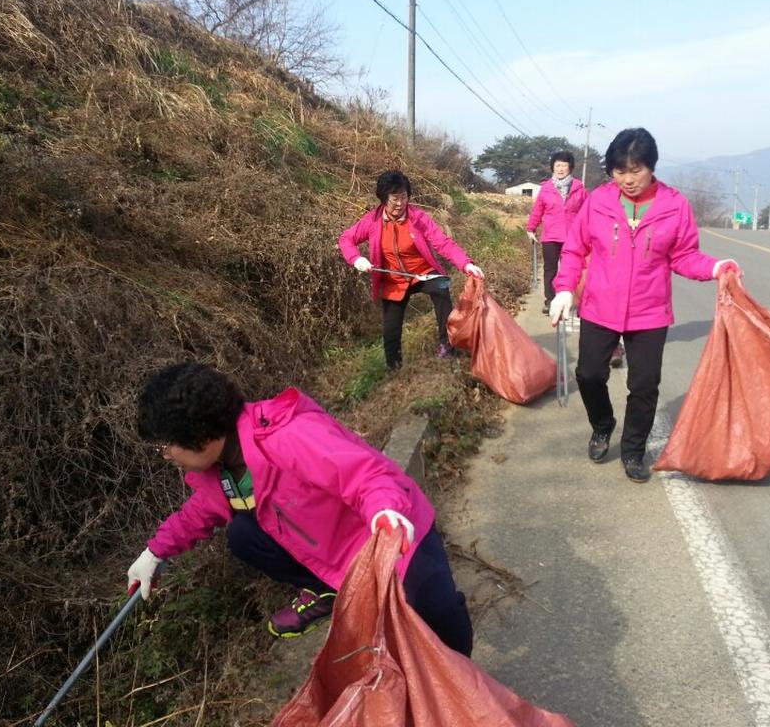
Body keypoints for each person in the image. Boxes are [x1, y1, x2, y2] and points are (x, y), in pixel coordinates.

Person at [126, 362, 474, 656]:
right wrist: (155, 553)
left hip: (385, 530)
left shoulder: (286, 435)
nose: (167, 455)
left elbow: (364, 473)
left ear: (198, 432)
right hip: (332, 556)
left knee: (437, 610)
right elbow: (198, 513)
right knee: (243, 535)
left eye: (167, 444)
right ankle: (329, 590)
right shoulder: (218, 473)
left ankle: (462, 683)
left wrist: (385, 510)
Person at [548, 128, 741, 483]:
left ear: (651, 167)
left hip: (649, 312)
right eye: (619, 172)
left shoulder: (674, 205)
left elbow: (684, 256)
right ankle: (602, 425)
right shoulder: (599, 201)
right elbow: (575, 249)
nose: (628, 180)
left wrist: (714, 267)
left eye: (635, 170)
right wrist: (564, 289)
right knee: (589, 374)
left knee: (644, 386)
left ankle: (634, 449)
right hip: (599, 305)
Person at [339, 170, 483, 370]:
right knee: (391, 329)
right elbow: (346, 239)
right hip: (393, 280)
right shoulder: (373, 221)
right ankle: (394, 370)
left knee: (441, 288)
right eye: (394, 199)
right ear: (383, 199)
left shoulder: (418, 218)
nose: (400, 204)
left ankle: (447, 346)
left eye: (404, 197)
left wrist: (466, 264)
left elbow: (443, 243)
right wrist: (356, 259)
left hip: (422, 273)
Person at [526, 151, 588, 315]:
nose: (560, 169)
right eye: (557, 165)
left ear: (570, 168)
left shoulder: (579, 188)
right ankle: (550, 300)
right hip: (551, 236)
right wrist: (530, 228)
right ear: (553, 167)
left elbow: (588, 211)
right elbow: (537, 210)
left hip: (573, 237)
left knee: (576, 269)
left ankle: (577, 301)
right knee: (550, 270)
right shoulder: (546, 189)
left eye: (564, 165)